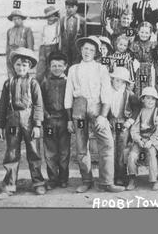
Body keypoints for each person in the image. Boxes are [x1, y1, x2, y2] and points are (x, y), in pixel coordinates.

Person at [64, 35, 124, 193]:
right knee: (82, 147)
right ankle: (86, 180)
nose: (87, 52)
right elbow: (68, 95)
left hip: (96, 109)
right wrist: (70, 119)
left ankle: (107, 182)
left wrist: (103, 116)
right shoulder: (73, 69)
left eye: (91, 49)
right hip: (79, 110)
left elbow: (106, 93)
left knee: (107, 143)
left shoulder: (101, 69)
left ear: (96, 52)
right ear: (81, 50)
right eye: (85, 48)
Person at [0, 48, 45, 199]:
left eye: (24, 65)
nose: (21, 68)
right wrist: (0, 125)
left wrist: (37, 125)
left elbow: (38, 105)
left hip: (28, 120)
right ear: (13, 66)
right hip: (12, 121)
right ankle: (9, 186)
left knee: (34, 151)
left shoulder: (33, 83)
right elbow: (2, 105)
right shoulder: (8, 83)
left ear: (29, 67)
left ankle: (38, 183)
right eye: (18, 65)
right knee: (12, 152)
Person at [126, 87, 158, 191]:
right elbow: (134, 129)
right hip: (140, 139)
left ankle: (154, 180)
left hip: (152, 140)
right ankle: (132, 178)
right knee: (132, 155)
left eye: (153, 99)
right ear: (143, 99)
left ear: (156, 101)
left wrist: (151, 141)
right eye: (148, 98)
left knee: (151, 154)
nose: (150, 101)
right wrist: (138, 139)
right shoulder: (140, 112)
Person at [40, 51, 70, 190]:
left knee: (64, 152)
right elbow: (40, 102)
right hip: (50, 121)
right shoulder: (45, 83)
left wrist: (69, 119)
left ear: (65, 66)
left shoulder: (68, 82)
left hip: (64, 121)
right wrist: (46, 115)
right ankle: (52, 179)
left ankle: (63, 178)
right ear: (49, 67)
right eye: (53, 65)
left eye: (59, 65)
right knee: (50, 152)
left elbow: (71, 101)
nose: (57, 68)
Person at [108, 67, 141, 185]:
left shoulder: (129, 94)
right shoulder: (107, 92)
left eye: (122, 81)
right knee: (110, 149)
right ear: (112, 80)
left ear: (126, 83)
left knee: (121, 151)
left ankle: (120, 176)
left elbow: (137, 108)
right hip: (111, 122)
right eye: (117, 80)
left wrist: (130, 121)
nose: (119, 83)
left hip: (123, 124)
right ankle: (110, 176)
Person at [6, 9, 34, 78]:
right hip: (11, 55)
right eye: (14, 19)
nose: (16, 21)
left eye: (18, 18)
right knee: (11, 74)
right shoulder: (9, 31)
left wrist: (28, 57)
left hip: (22, 54)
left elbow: (30, 46)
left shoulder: (27, 30)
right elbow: (7, 45)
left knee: (22, 73)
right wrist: (8, 57)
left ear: (22, 19)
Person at [130, 21, 156, 97]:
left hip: (149, 70)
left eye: (146, 33)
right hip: (137, 70)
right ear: (138, 32)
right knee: (137, 91)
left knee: (148, 90)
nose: (144, 35)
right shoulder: (133, 44)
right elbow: (130, 58)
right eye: (142, 32)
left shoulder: (153, 45)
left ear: (150, 34)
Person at [36, 6, 60, 83]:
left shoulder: (57, 25)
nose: (51, 18)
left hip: (53, 47)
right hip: (43, 48)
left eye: (53, 15)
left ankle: (49, 86)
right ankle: (38, 86)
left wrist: (58, 19)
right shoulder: (44, 27)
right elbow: (41, 39)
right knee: (41, 68)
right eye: (49, 16)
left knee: (51, 68)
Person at [60, 0, 85, 67]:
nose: (70, 9)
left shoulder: (81, 20)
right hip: (66, 44)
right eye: (68, 7)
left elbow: (84, 34)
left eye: (72, 7)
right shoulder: (63, 19)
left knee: (76, 60)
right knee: (65, 60)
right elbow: (61, 33)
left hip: (76, 44)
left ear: (76, 8)